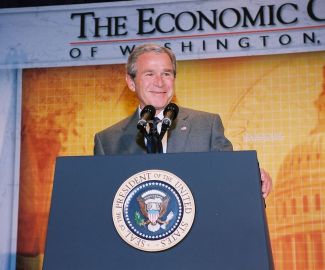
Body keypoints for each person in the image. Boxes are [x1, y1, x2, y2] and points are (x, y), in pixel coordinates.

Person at [94, 43, 272, 198]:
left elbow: (228, 176)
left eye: (166, 74)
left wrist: (252, 177)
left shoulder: (206, 126)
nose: (160, 82)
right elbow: (101, 196)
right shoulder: (108, 140)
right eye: (149, 74)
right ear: (131, 82)